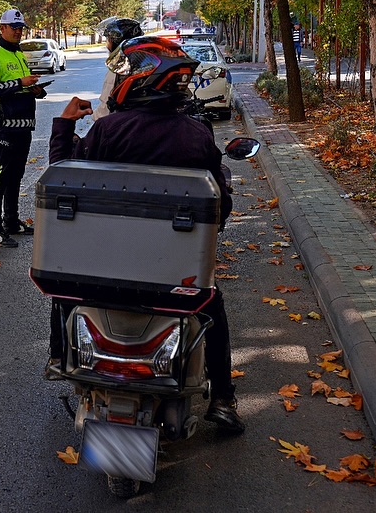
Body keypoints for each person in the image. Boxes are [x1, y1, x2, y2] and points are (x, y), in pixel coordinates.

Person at [47, 35, 245, 434]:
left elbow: (62, 176)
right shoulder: (196, 134)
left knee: (64, 291)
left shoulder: (107, 132)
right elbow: (220, 207)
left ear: (137, 79)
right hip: (176, 282)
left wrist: (65, 123)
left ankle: (58, 357)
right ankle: (223, 399)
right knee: (213, 308)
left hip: (104, 276)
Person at [0, 8, 46, 247]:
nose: (19, 32)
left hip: (23, 126)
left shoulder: (19, 55)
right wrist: (20, 82)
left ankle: (11, 221)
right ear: (2, 29)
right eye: (14, 28)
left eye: (21, 28)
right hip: (3, 129)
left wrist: (37, 90)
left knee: (16, 176)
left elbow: (21, 88)